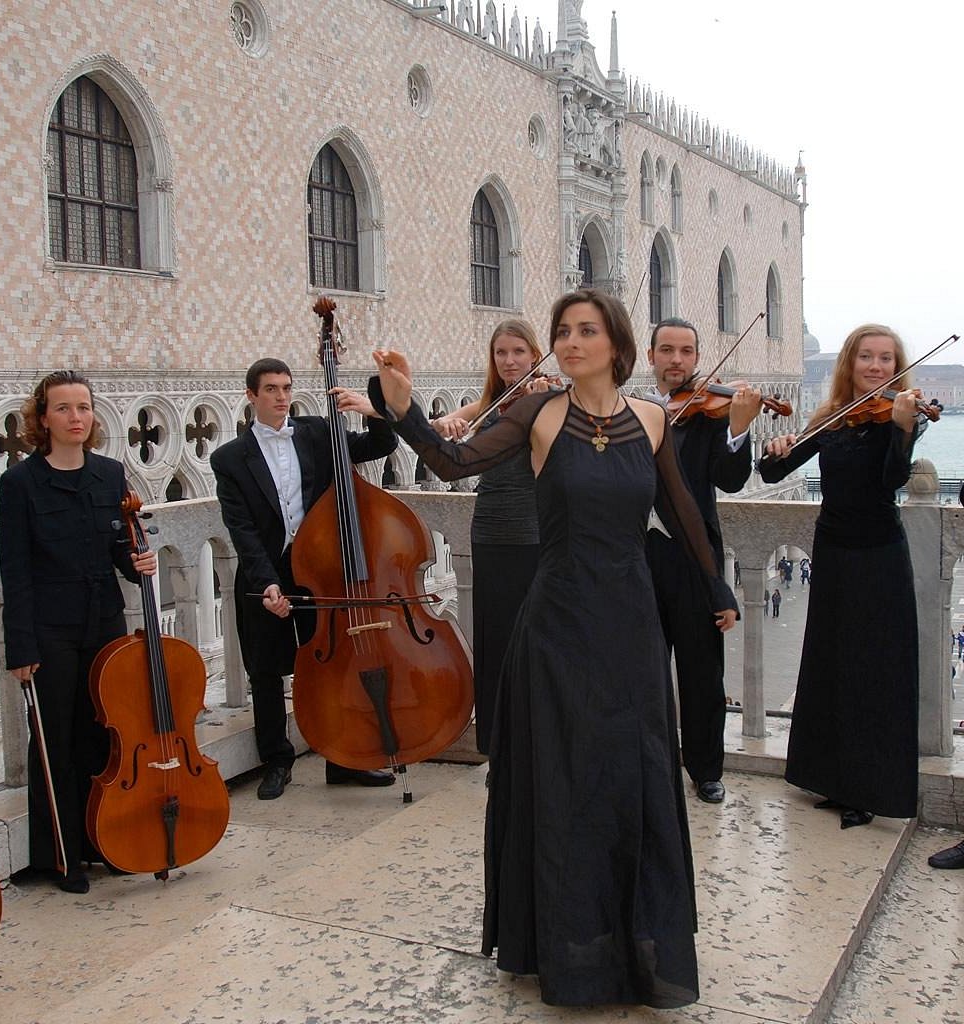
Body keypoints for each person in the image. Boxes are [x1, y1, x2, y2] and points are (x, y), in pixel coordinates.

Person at [371, 288, 738, 1009]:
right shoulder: (537, 413)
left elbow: (683, 513)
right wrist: (403, 406)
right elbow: (451, 461)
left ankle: (633, 942)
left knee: (632, 774)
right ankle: (560, 947)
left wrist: (716, 590)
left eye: (586, 331)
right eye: (562, 332)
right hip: (558, 621)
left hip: (631, 621)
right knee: (565, 779)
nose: (570, 343)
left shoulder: (654, 419)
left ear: (615, 343)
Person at [0, 370, 157, 894]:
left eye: (83, 408)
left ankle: (99, 840)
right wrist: (20, 646)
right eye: (63, 409)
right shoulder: (20, 483)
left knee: (102, 737)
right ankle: (58, 855)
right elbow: (14, 571)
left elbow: (119, 552)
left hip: (103, 623)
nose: (75, 418)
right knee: (56, 741)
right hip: (50, 629)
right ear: (42, 418)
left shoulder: (110, 475)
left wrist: (139, 563)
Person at [210, 358, 398, 800]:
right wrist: (266, 583)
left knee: (332, 666)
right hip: (266, 573)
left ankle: (342, 759)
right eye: (270, 389)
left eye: (286, 388)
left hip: (320, 573)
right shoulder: (229, 459)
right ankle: (277, 761)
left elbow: (381, 445)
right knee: (266, 673)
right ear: (251, 396)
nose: (280, 396)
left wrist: (373, 408)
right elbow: (243, 530)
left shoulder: (317, 433)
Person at [760, 324, 923, 830]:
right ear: (849, 363)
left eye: (886, 359)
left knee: (874, 672)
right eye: (867, 358)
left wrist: (901, 429)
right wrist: (778, 447)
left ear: (896, 368)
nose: (876, 367)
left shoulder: (903, 416)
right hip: (832, 554)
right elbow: (770, 475)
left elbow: (893, 481)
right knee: (830, 665)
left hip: (879, 557)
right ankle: (827, 778)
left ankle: (867, 788)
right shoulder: (831, 418)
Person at [644, 317, 763, 804]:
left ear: (697, 358)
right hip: (639, 557)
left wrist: (739, 427)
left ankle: (706, 769)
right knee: (644, 671)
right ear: (650, 357)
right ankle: (650, 764)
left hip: (694, 559)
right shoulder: (635, 412)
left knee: (700, 673)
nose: (676, 360)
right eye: (667, 350)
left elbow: (730, 479)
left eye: (686, 351)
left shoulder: (712, 416)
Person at [431, 319, 548, 755]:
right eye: (502, 353)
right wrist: (446, 425)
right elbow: (443, 426)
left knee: (535, 640)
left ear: (535, 355)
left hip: (535, 532)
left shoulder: (549, 400)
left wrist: (539, 412)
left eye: (518, 352)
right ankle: (499, 747)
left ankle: (537, 743)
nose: (510, 360)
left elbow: (549, 464)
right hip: (491, 531)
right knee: (495, 639)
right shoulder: (489, 402)